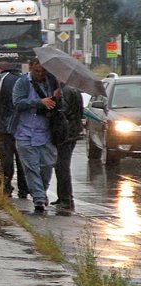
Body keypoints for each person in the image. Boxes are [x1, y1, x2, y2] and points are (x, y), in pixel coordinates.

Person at [10, 57, 60, 213]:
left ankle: (41, 192)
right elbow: (17, 103)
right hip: (25, 132)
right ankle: (38, 198)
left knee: (47, 165)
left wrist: (57, 98)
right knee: (31, 167)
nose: (40, 74)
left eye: (43, 71)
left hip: (46, 132)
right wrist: (39, 102)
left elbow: (57, 107)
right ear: (31, 68)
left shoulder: (52, 82)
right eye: (37, 71)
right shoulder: (23, 82)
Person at [0, 61, 27, 197]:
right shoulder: (24, 79)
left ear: (0, 69)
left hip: (3, 126)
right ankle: (24, 189)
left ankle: (6, 187)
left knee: (6, 158)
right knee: (22, 158)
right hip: (22, 126)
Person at [54, 84, 83, 212]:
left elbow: (62, 110)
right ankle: (63, 197)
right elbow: (80, 112)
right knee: (61, 165)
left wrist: (54, 102)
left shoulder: (64, 91)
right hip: (73, 131)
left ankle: (66, 199)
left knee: (62, 166)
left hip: (65, 133)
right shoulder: (75, 89)